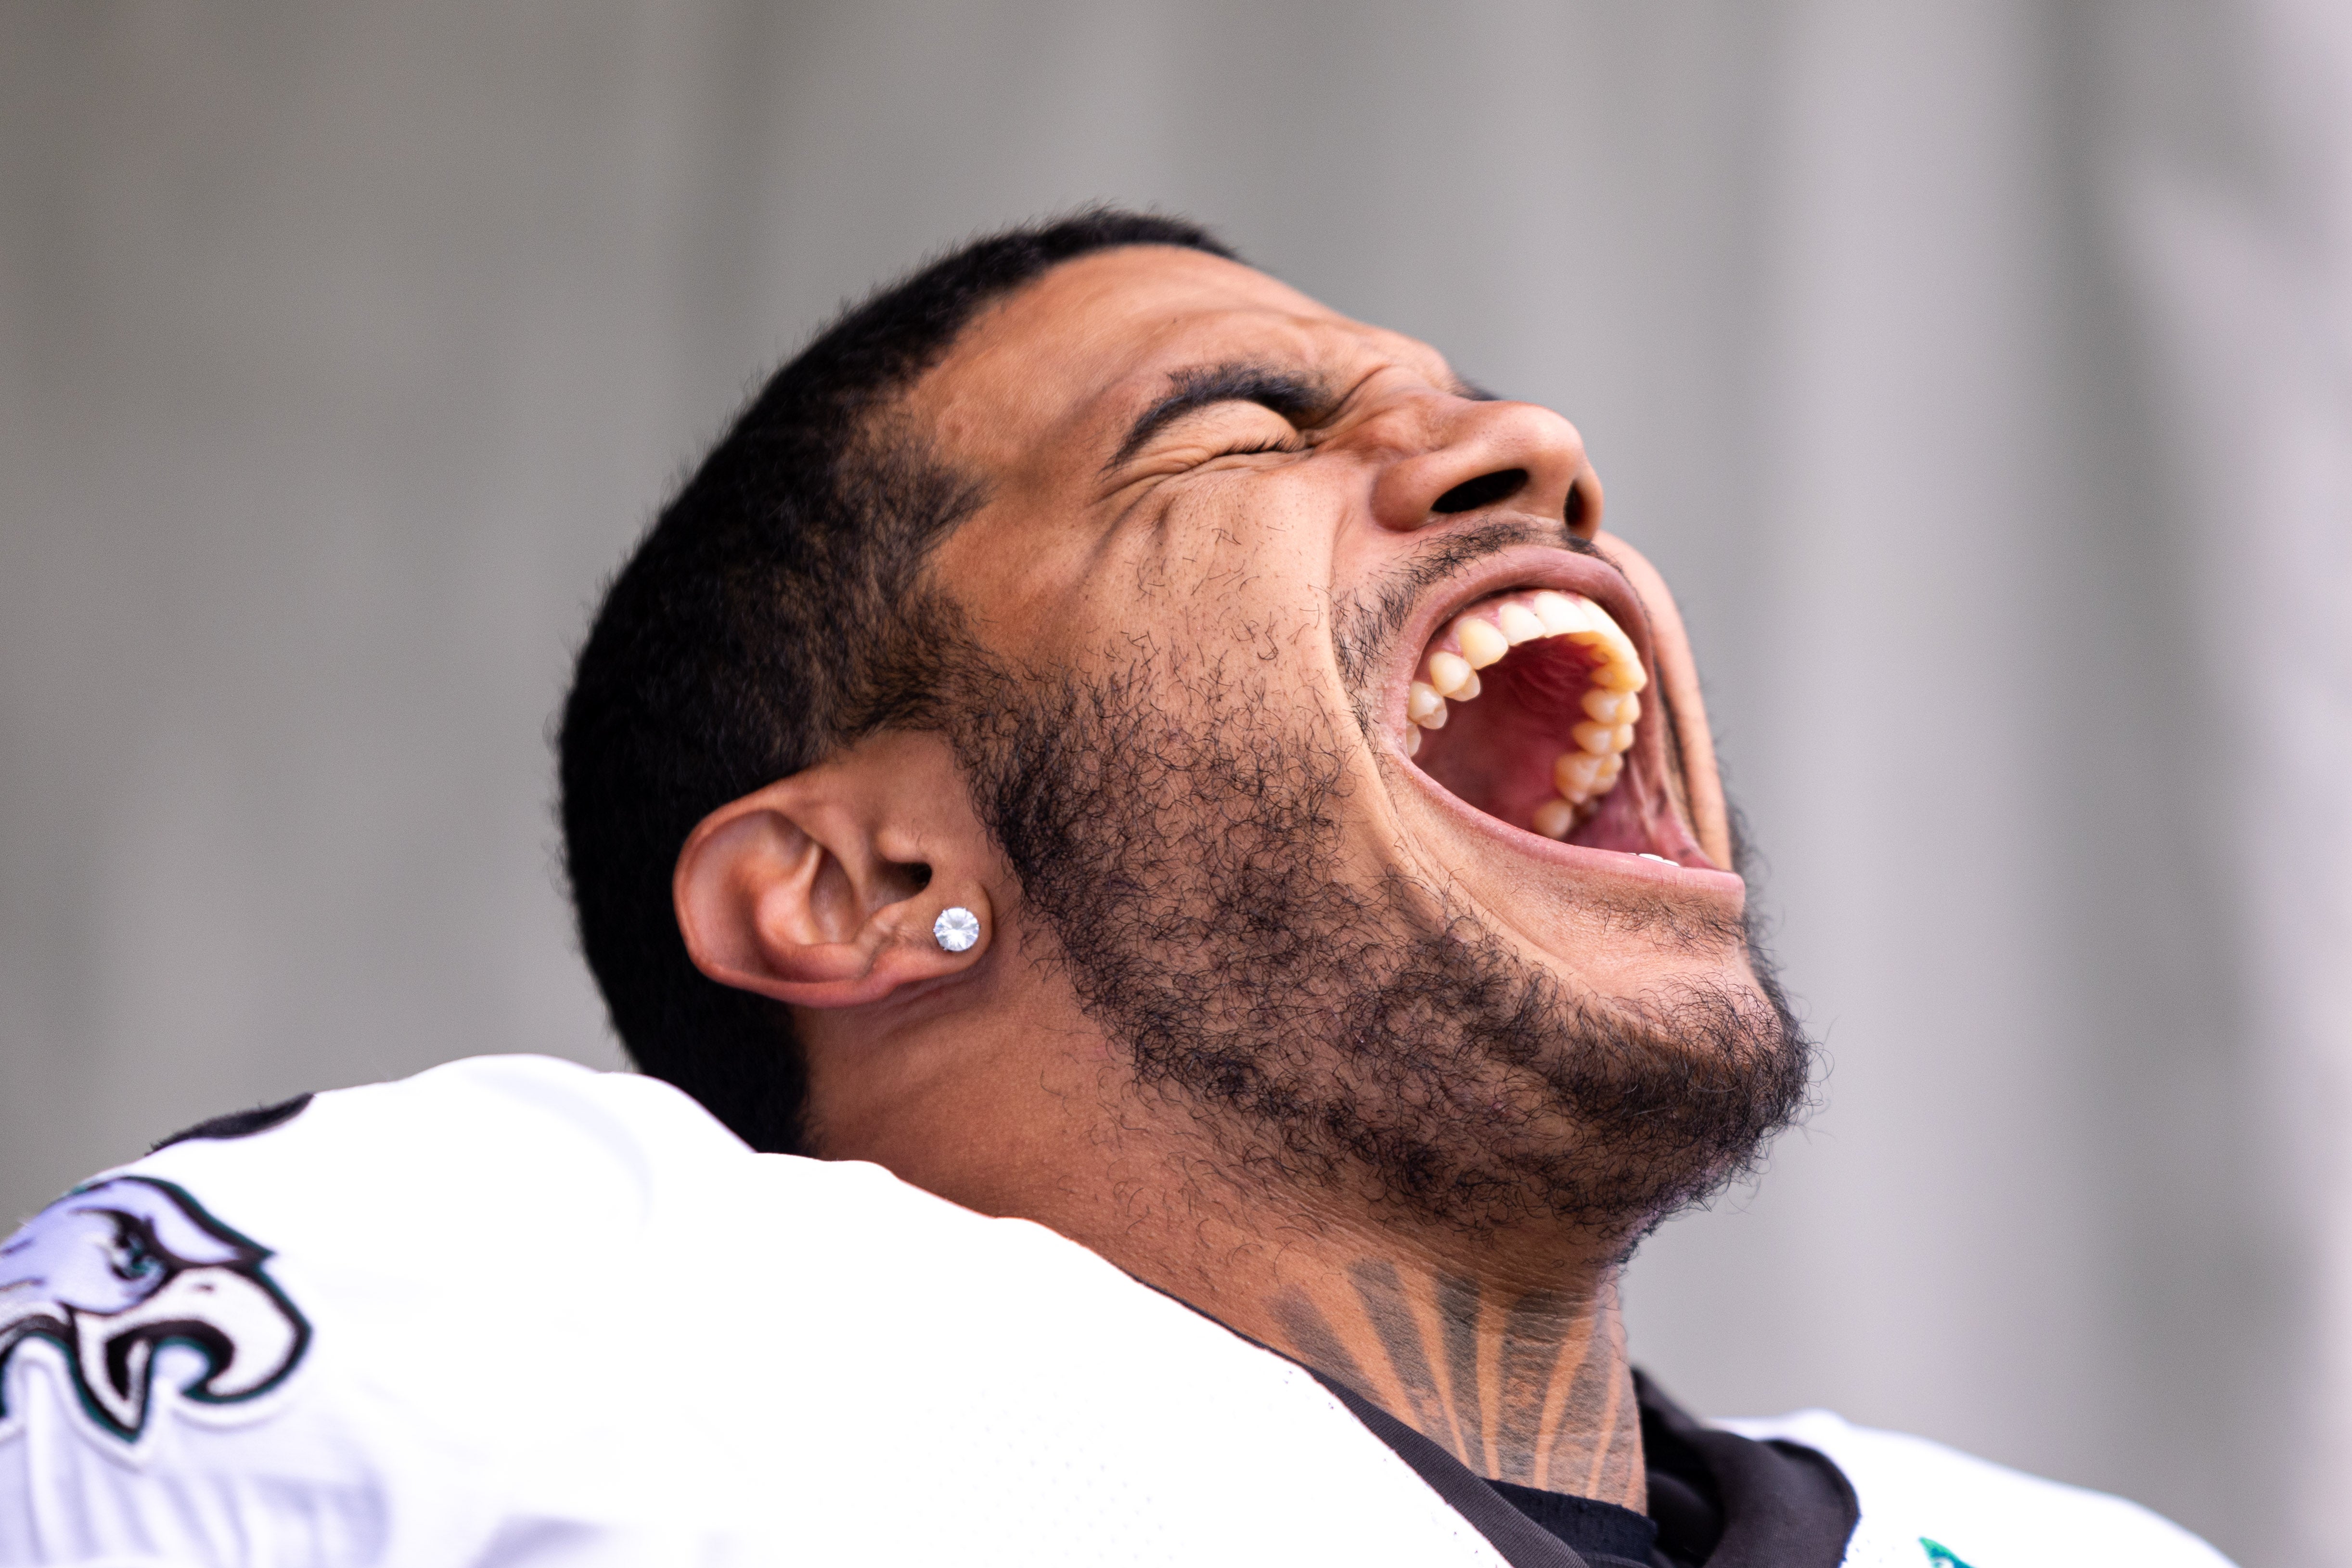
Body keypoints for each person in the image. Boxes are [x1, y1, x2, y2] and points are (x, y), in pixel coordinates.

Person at [0, 211, 2233, 1568]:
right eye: (1242, 422)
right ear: (869, 879)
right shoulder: (478, 1297)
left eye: (1470, 407)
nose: (1532, 445)